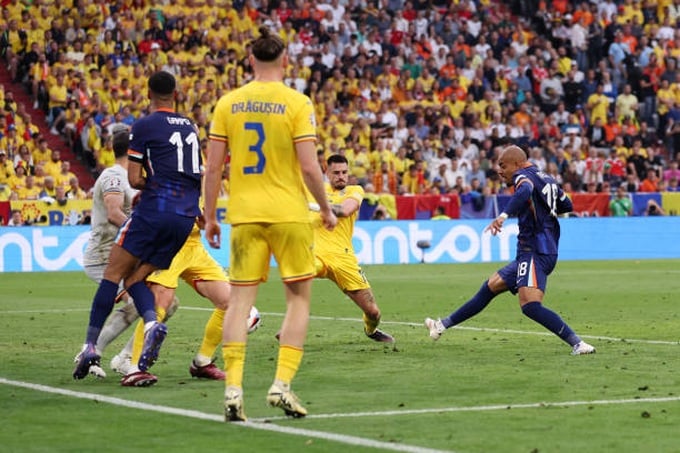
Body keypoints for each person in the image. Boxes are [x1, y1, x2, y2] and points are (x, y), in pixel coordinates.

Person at [203, 26, 337, 422]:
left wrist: (211, 215)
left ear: (250, 60)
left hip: (244, 216)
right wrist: (326, 208)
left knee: (239, 303)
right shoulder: (297, 102)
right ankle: (281, 384)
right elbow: (310, 167)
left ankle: (233, 389)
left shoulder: (229, 102)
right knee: (297, 300)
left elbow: (213, 168)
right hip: (290, 215)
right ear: (285, 61)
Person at [73, 71, 202, 379]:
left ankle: (91, 346)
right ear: (176, 93)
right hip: (185, 218)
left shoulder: (143, 126)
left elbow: (134, 179)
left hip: (156, 209)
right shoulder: (191, 127)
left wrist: (151, 183)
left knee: (113, 273)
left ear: (149, 93)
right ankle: (153, 323)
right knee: (135, 280)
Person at [425, 145, 595, 356]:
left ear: (516, 163)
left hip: (534, 250)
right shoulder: (547, 178)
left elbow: (524, 190)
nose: (499, 170)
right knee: (490, 287)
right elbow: (566, 204)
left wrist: (502, 216)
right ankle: (440, 326)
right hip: (539, 250)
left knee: (530, 305)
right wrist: (543, 210)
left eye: (503, 165)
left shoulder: (522, 176)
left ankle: (578, 343)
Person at [312, 154, 394, 343]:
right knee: (298, 275)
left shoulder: (354, 190)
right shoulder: (315, 190)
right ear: (327, 172)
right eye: (336, 173)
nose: (341, 176)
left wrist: (319, 206)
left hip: (343, 259)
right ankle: (290, 328)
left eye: (344, 172)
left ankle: (371, 330)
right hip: (315, 255)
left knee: (373, 312)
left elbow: (345, 210)